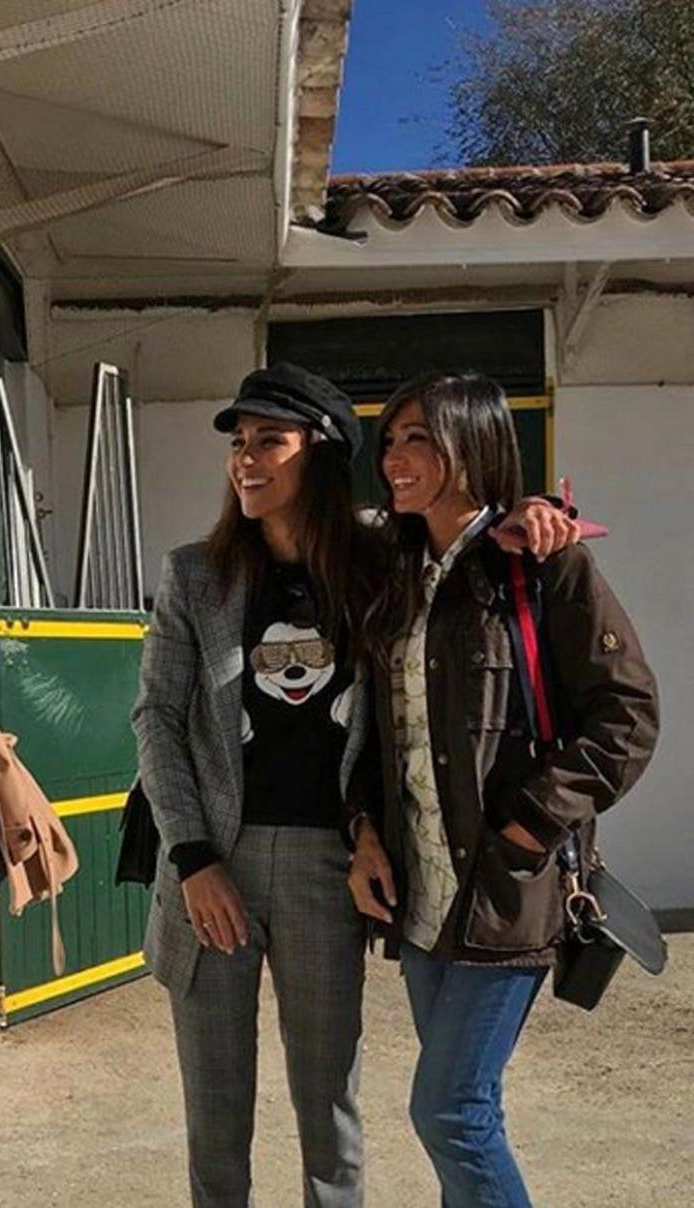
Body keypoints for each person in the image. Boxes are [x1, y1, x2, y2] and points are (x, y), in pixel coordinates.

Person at [132, 363, 576, 1208]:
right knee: (216, 1112)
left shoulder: (381, 559)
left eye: (271, 440)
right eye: (238, 443)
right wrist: (191, 859)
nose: (246, 459)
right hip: (208, 864)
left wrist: (525, 514)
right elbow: (157, 720)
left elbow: (460, 531)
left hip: (325, 868)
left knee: (327, 1102)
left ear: (324, 452)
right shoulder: (195, 575)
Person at [347, 371, 659, 1207]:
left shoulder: (544, 567)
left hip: (504, 889)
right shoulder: (397, 575)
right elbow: (384, 734)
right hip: (420, 898)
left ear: (473, 444)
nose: (397, 459)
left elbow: (626, 718)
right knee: (472, 1111)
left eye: (420, 438)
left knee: (448, 1112)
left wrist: (529, 827)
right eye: (391, 441)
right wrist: (366, 833)